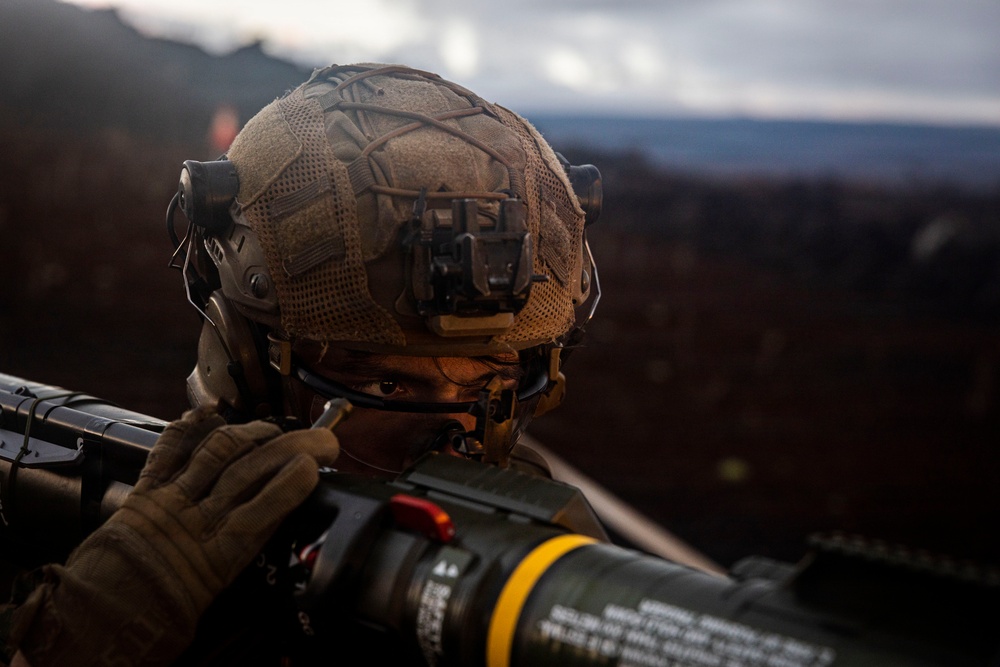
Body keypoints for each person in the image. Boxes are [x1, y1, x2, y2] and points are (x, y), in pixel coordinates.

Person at [1, 62, 605, 665]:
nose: (452, 445)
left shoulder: (548, 564)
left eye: (493, 382)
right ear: (248, 361)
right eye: (386, 385)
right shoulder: (127, 578)